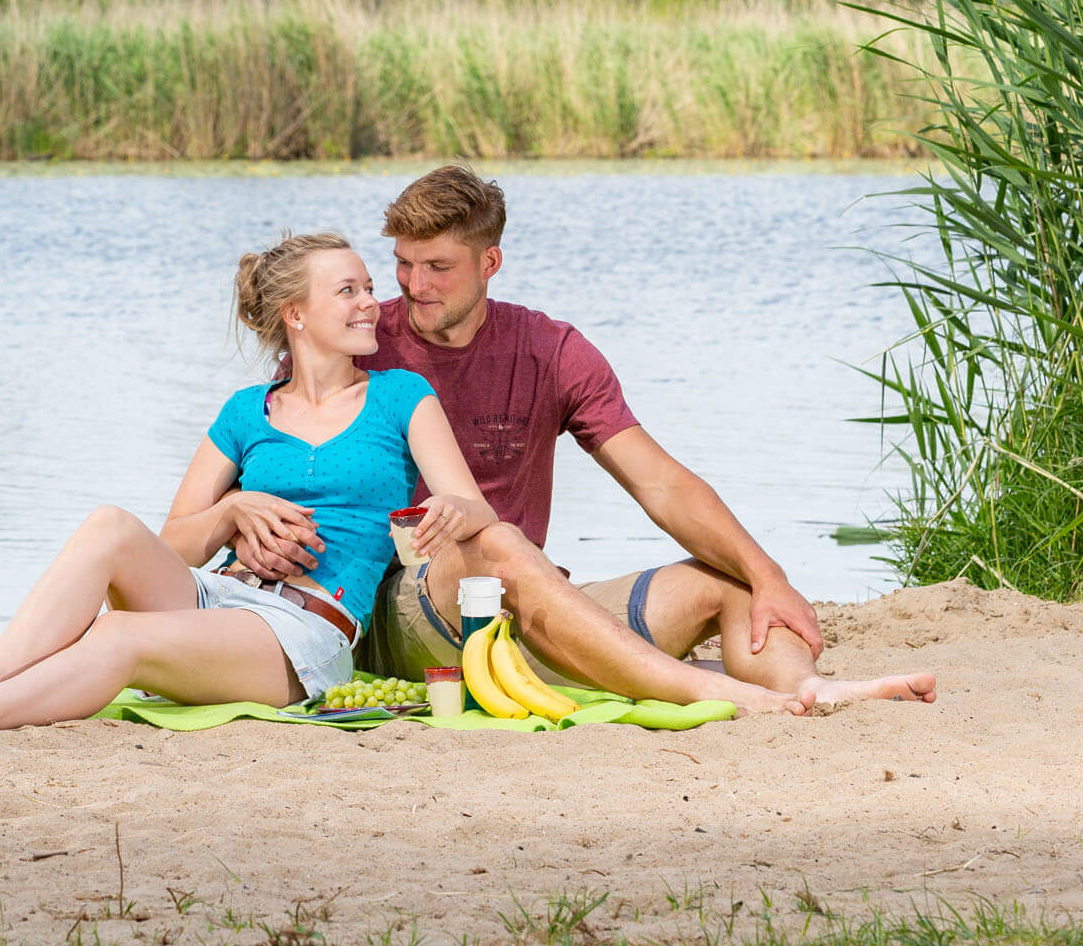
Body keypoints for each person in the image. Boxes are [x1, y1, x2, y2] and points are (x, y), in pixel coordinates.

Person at [229, 167, 936, 713]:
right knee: (493, 547)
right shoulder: (357, 336)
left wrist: (768, 573)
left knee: (727, 582)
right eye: (404, 264)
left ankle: (808, 691)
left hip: (531, 597)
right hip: (405, 606)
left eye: (438, 267)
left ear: (489, 263)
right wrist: (251, 525)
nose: (412, 286)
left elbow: (658, 481)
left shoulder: (550, 350)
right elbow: (286, 453)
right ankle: (699, 690)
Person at [0, 231, 498, 736]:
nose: (371, 303)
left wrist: (449, 508)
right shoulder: (246, 411)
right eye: (349, 291)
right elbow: (175, 543)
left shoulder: (400, 397)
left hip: (299, 631)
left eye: (367, 288)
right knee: (109, 525)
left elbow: (475, 506)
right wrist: (232, 510)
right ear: (296, 314)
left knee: (118, 634)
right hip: (214, 595)